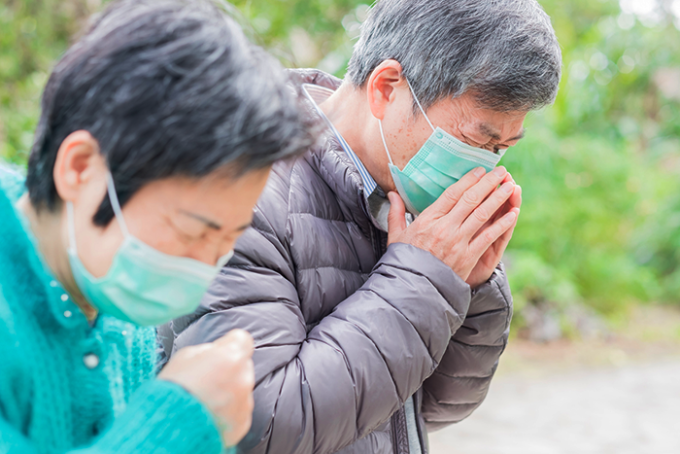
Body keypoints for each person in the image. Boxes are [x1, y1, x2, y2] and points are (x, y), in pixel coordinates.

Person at [163, 0, 562, 453]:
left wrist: (467, 288)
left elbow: (434, 408)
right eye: (475, 140)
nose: (483, 166)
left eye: (501, 148)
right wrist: (424, 282)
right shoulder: (243, 187)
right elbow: (259, 425)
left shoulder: (410, 192)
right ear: (387, 88)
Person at [0, 0, 316, 453]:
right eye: (192, 232)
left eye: (227, 240)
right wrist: (178, 422)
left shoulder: (114, 310)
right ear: (81, 168)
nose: (203, 269)